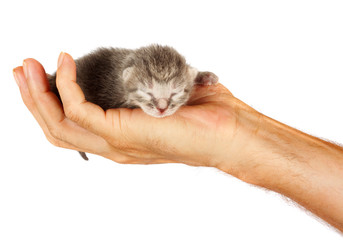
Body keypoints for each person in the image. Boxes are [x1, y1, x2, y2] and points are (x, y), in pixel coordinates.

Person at [13, 52, 343, 232]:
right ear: (130, 83)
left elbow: (183, 81)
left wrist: (228, 126)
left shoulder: (177, 81)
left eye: (174, 96)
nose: (161, 108)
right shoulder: (119, 80)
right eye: (148, 97)